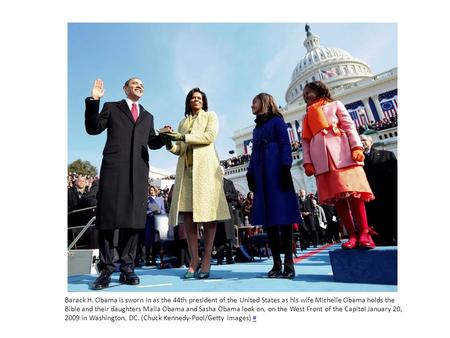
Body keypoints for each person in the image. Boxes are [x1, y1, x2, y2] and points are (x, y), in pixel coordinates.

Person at [85, 78, 165, 290]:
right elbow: (93, 128)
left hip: (138, 172)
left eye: (142, 84)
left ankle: (128, 267)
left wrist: (164, 136)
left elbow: (153, 142)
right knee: (108, 219)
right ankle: (106, 269)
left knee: (134, 220)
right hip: (114, 168)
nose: (140, 86)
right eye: (135, 83)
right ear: (125, 88)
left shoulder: (148, 116)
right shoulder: (112, 107)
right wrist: (94, 100)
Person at [162, 87, 230, 279]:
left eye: (199, 98)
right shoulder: (183, 122)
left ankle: (207, 259)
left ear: (204, 101)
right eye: (192, 98)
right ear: (188, 102)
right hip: (186, 172)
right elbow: (179, 149)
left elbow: (209, 137)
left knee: (209, 216)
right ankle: (194, 259)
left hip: (206, 171)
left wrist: (182, 137)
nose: (196, 100)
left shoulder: (210, 116)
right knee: (188, 218)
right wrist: (168, 142)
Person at [301, 81, 375, 250]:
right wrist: (307, 162)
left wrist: (356, 146)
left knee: (354, 195)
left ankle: (364, 233)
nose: (306, 97)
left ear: (319, 90)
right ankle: (352, 234)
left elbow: (349, 126)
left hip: (342, 154)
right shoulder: (305, 117)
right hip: (322, 161)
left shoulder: (335, 105)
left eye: (309, 93)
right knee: (338, 199)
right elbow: (305, 141)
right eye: (304, 95)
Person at [246, 93, 301, 279]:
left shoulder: (277, 121)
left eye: (254, 101)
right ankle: (276, 262)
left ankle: (289, 263)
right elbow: (253, 154)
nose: (251, 105)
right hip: (262, 174)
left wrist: (286, 166)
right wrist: (250, 173)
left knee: (284, 218)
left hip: (277, 171)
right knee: (269, 220)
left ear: (264, 102)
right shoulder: (256, 129)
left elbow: (286, 144)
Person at [360, 134, 397, 245]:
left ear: (371, 141)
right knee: (381, 239)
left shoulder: (387, 155)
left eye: (364, 140)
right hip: (371, 203)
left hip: (390, 200)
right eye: (359, 140)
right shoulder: (356, 162)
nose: (362, 142)